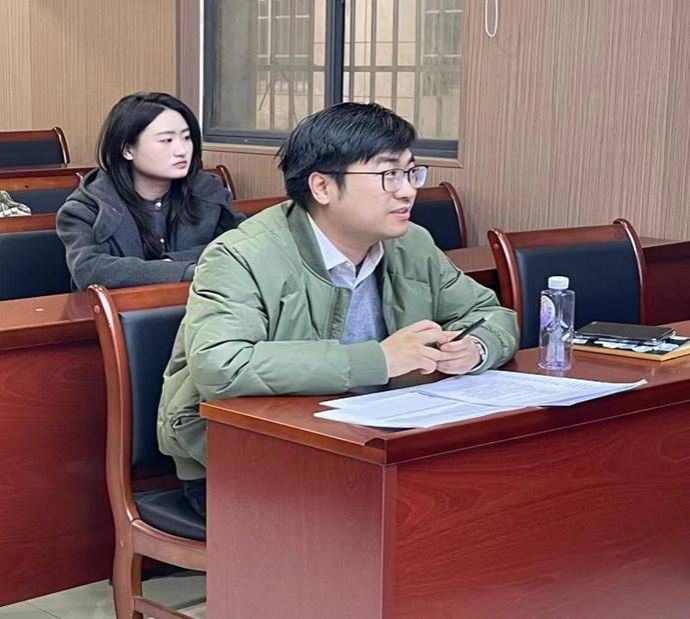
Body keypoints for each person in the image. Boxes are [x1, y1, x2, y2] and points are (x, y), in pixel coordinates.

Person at [158, 102, 519, 516]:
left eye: (411, 172)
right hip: (245, 461)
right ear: (323, 187)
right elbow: (220, 365)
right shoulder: (241, 255)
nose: (407, 190)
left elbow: (491, 314)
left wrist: (475, 348)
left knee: (490, 495)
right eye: (388, 175)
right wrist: (378, 360)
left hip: (370, 445)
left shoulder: (411, 243)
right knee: (426, 515)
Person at [56, 92, 244, 290]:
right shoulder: (86, 208)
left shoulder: (206, 191)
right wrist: (188, 271)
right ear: (128, 150)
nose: (182, 150)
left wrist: (169, 264)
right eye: (167, 140)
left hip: (200, 303)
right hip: (119, 308)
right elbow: (91, 270)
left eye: (187, 138)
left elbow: (241, 246)